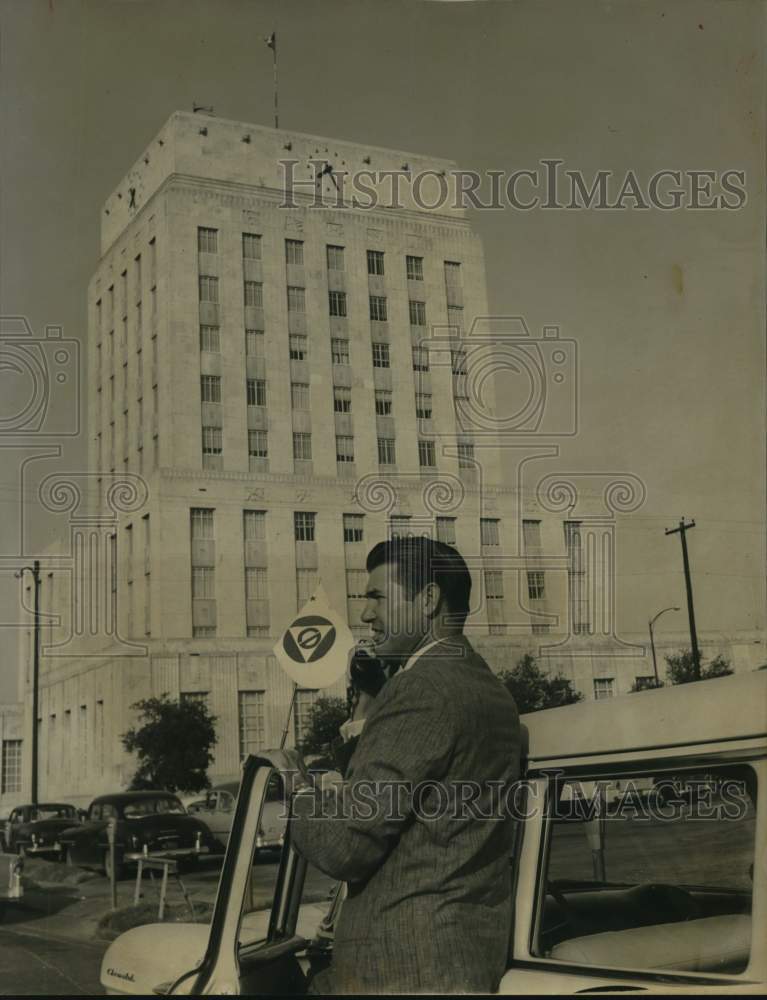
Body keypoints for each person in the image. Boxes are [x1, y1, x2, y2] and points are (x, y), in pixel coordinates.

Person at [290, 536, 521, 995]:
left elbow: (345, 848)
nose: (366, 614)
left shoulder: (420, 688)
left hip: (400, 970)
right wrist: (368, 710)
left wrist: (296, 789)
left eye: (377, 597)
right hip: (459, 960)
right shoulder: (489, 689)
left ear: (428, 599)